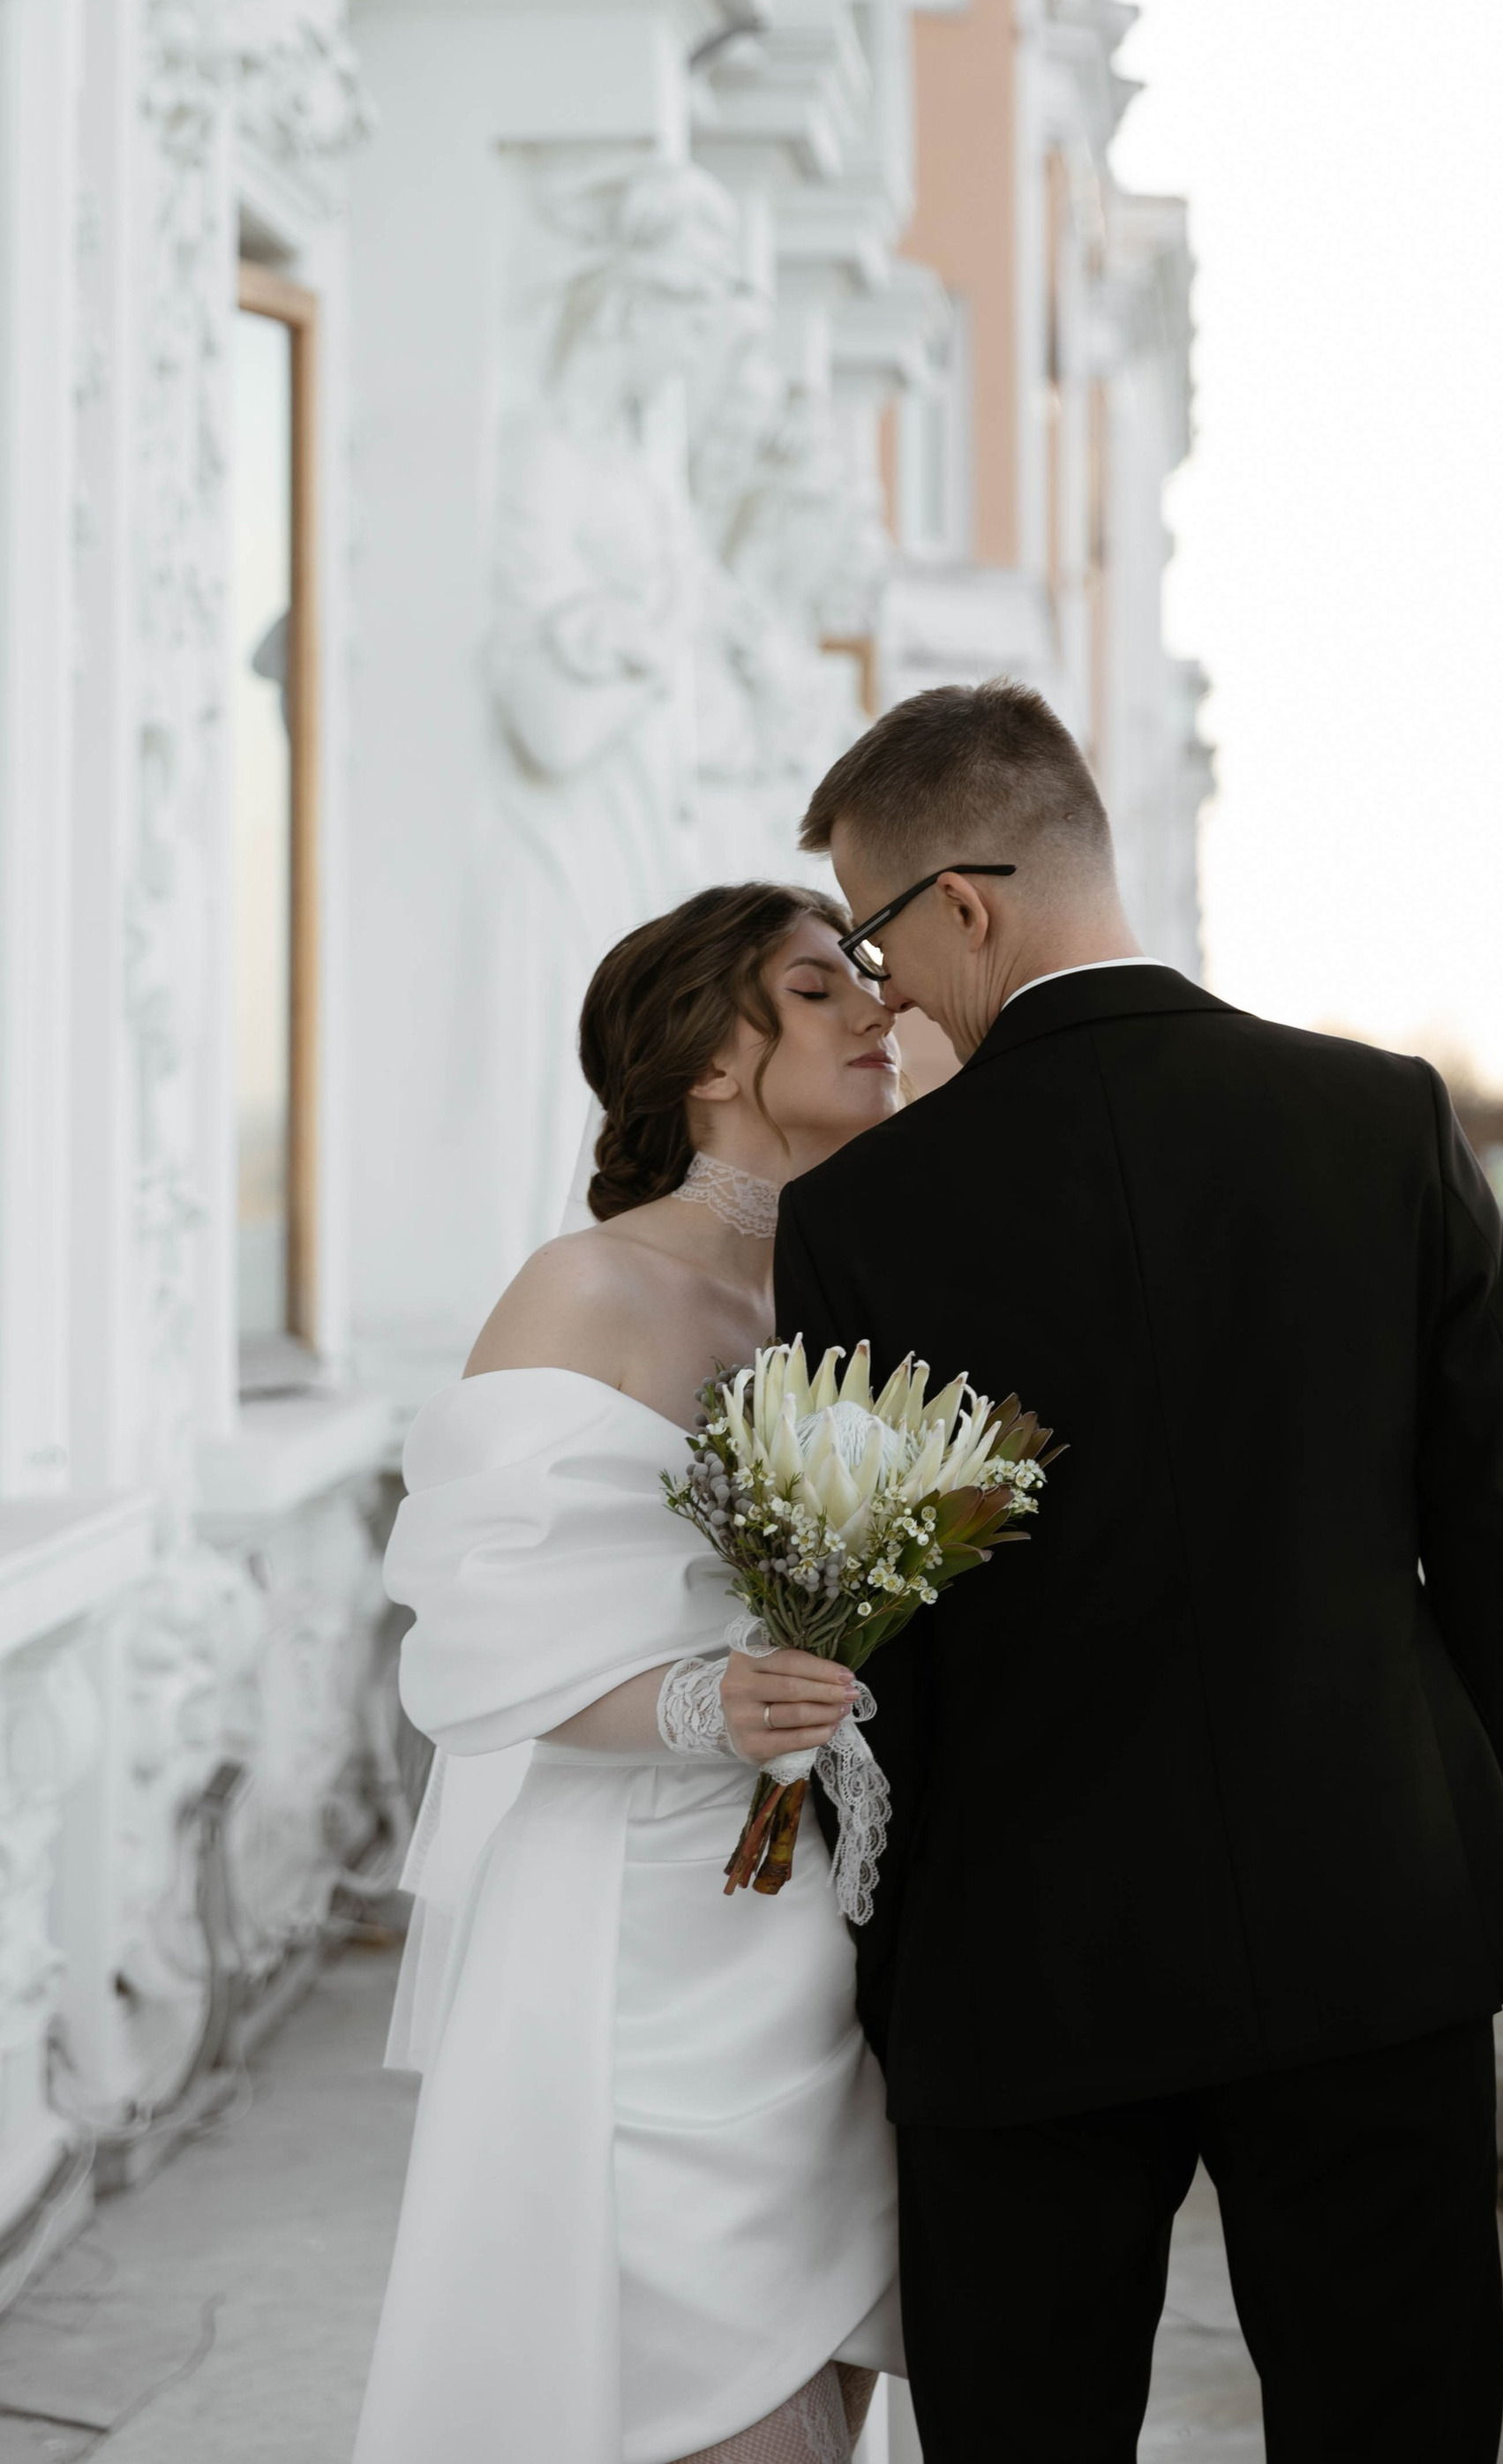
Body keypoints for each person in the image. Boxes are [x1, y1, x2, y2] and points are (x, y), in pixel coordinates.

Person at [774, 680, 1503, 2464]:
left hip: (1019, 1953)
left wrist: (903, 1965)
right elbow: (1495, 1555)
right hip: (1373, 1913)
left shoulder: (861, 1215)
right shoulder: (1383, 1121)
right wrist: (1468, 1869)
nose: (888, 999)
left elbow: (867, 1643)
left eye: (882, 948)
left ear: (962, 903)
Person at [356, 886, 906, 2464]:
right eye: (819, 988)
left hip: (822, 1927)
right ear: (712, 1056)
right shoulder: (580, 1287)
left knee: (830, 2357)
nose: (875, 1011)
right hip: (637, 1941)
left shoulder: (846, 1297)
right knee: (671, 2379)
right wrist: (699, 1702)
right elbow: (468, 1634)